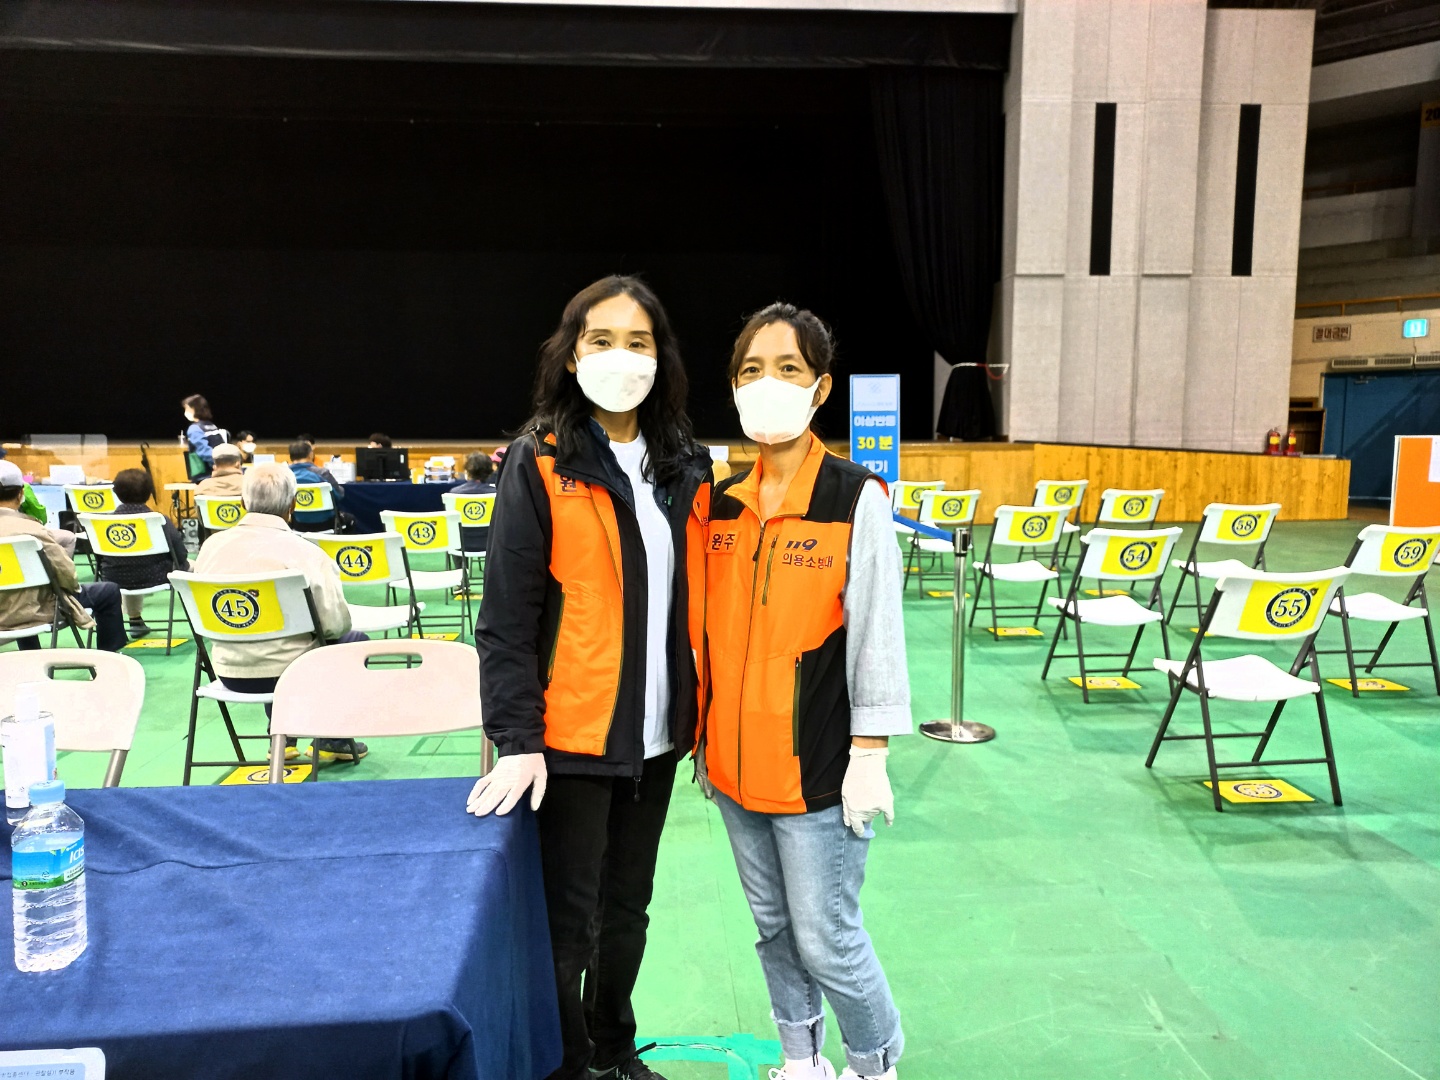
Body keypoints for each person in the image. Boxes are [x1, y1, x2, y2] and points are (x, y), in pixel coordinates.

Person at [466, 275, 712, 1080]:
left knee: (627, 911)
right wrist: (517, 738)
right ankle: (565, 1065)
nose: (621, 357)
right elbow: (507, 616)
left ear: (660, 357)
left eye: (638, 342)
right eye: (601, 340)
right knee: (566, 924)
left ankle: (614, 1047)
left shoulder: (685, 464)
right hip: (569, 739)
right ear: (572, 356)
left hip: (656, 737)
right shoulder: (541, 460)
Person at [697, 304, 910, 1080]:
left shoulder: (855, 498)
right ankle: (801, 1060)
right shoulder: (719, 503)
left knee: (828, 938)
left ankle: (875, 1064)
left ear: (821, 389)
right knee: (774, 930)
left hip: (816, 768)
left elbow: (878, 632)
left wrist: (871, 752)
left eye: (787, 368)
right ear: (734, 388)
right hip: (732, 768)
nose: (767, 383)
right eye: (751, 370)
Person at [193, 464, 369, 762]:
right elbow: (334, 626)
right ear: (293, 505)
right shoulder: (307, 554)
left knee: (272, 636)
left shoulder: (210, 548)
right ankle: (332, 739)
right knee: (354, 640)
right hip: (290, 674)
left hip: (228, 672)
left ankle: (282, 737)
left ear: (242, 502)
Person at [0, 459, 125, 652]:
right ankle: (109, 656)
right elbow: (67, 575)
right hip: (35, 611)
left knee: (21, 593)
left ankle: (30, 655)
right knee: (109, 591)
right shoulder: (33, 530)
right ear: (20, 494)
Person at [97, 468, 190, 640]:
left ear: (116, 493)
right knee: (197, 567)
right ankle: (200, 621)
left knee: (128, 565)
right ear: (149, 494)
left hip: (113, 578)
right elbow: (181, 555)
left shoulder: (101, 522)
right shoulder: (160, 520)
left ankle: (135, 621)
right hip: (157, 577)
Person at [286, 441, 346, 533]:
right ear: (310, 454)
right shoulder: (322, 473)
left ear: (290, 456)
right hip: (326, 524)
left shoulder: (284, 475)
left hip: (297, 524)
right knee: (351, 520)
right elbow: (339, 495)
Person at [450, 452, 496, 554]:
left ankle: (461, 564)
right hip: (491, 544)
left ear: (467, 471)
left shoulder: (454, 493)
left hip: (460, 545)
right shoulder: (497, 493)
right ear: (489, 472)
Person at [181, 395, 226, 478]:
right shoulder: (212, 425)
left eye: (187, 409)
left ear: (194, 409)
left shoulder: (194, 428)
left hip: (205, 475)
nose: (185, 412)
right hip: (219, 470)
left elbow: (204, 451)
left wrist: (219, 465)